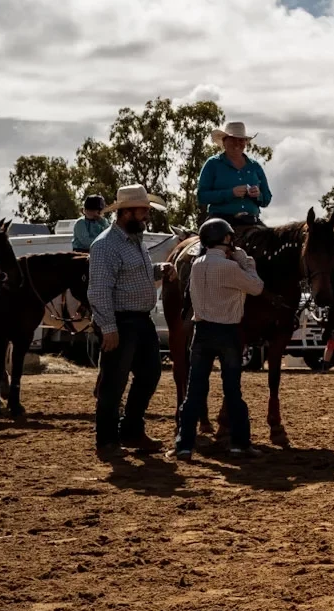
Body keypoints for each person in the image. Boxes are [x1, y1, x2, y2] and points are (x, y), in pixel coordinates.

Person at [176, 218, 267, 460]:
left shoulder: (197, 265)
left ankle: (184, 444)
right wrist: (246, 260)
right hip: (227, 331)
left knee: (194, 391)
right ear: (226, 239)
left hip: (201, 331)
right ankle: (240, 443)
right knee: (232, 391)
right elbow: (257, 287)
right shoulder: (230, 267)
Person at [89, 184, 165, 461]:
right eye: (142, 211)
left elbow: (134, 275)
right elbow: (99, 289)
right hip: (120, 321)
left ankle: (131, 430)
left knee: (150, 374)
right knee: (113, 382)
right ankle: (106, 441)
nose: (146, 216)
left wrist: (159, 270)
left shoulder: (134, 241)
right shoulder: (105, 246)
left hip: (140, 320)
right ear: (125, 213)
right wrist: (108, 327)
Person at [196, 121, 271, 227]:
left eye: (240, 140)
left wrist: (258, 195)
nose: (237, 143)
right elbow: (202, 196)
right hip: (220, 223)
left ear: (245, 142)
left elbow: (267, 198)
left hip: (252, 221)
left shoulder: (255, 166)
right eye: (232, 139)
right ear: (224, 141)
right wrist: (231, 193)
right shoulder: (213, 164)